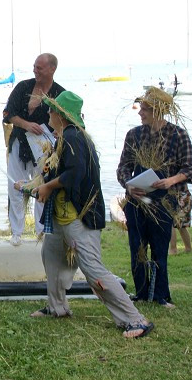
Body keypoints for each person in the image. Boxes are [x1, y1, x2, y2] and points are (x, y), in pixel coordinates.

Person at [33, 91, 155, 338]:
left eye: (51, 110)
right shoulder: (64, 137)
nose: (48, 114)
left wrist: (47, 186)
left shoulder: (74, 137)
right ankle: (57, 308)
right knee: (52, 258)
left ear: (61, 114)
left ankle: (135, 319)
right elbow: (60, 171)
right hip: (60, 216)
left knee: (93, 270)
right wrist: (35, 184)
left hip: (80, 217)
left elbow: (74, 175)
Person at [117, 87, 192, 308]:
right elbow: (123, 167)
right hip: (136, 199)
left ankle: (161, 295)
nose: (140, 113)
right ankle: (142, 293)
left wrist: (171, 180)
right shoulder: (134, 134)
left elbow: (189, 168)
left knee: (160, 248)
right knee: (137, 247)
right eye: (141, 108)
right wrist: (129, 186)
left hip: (164, 199)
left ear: (158, 111)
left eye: (144, 109)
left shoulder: (178, 134)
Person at [2, 53, 64, 245]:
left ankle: (41, 231)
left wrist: (58, 134)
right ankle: (16, 232)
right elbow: (7, 113)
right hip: (19, 141)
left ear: (52, 69)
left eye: (40, 68)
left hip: (43, 147)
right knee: (15, 186)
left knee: (42, 186)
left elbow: (67, 122)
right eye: (34, 67)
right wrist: (26, 124)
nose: (35, 71)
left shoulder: (59, 93)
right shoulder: (23, 87)